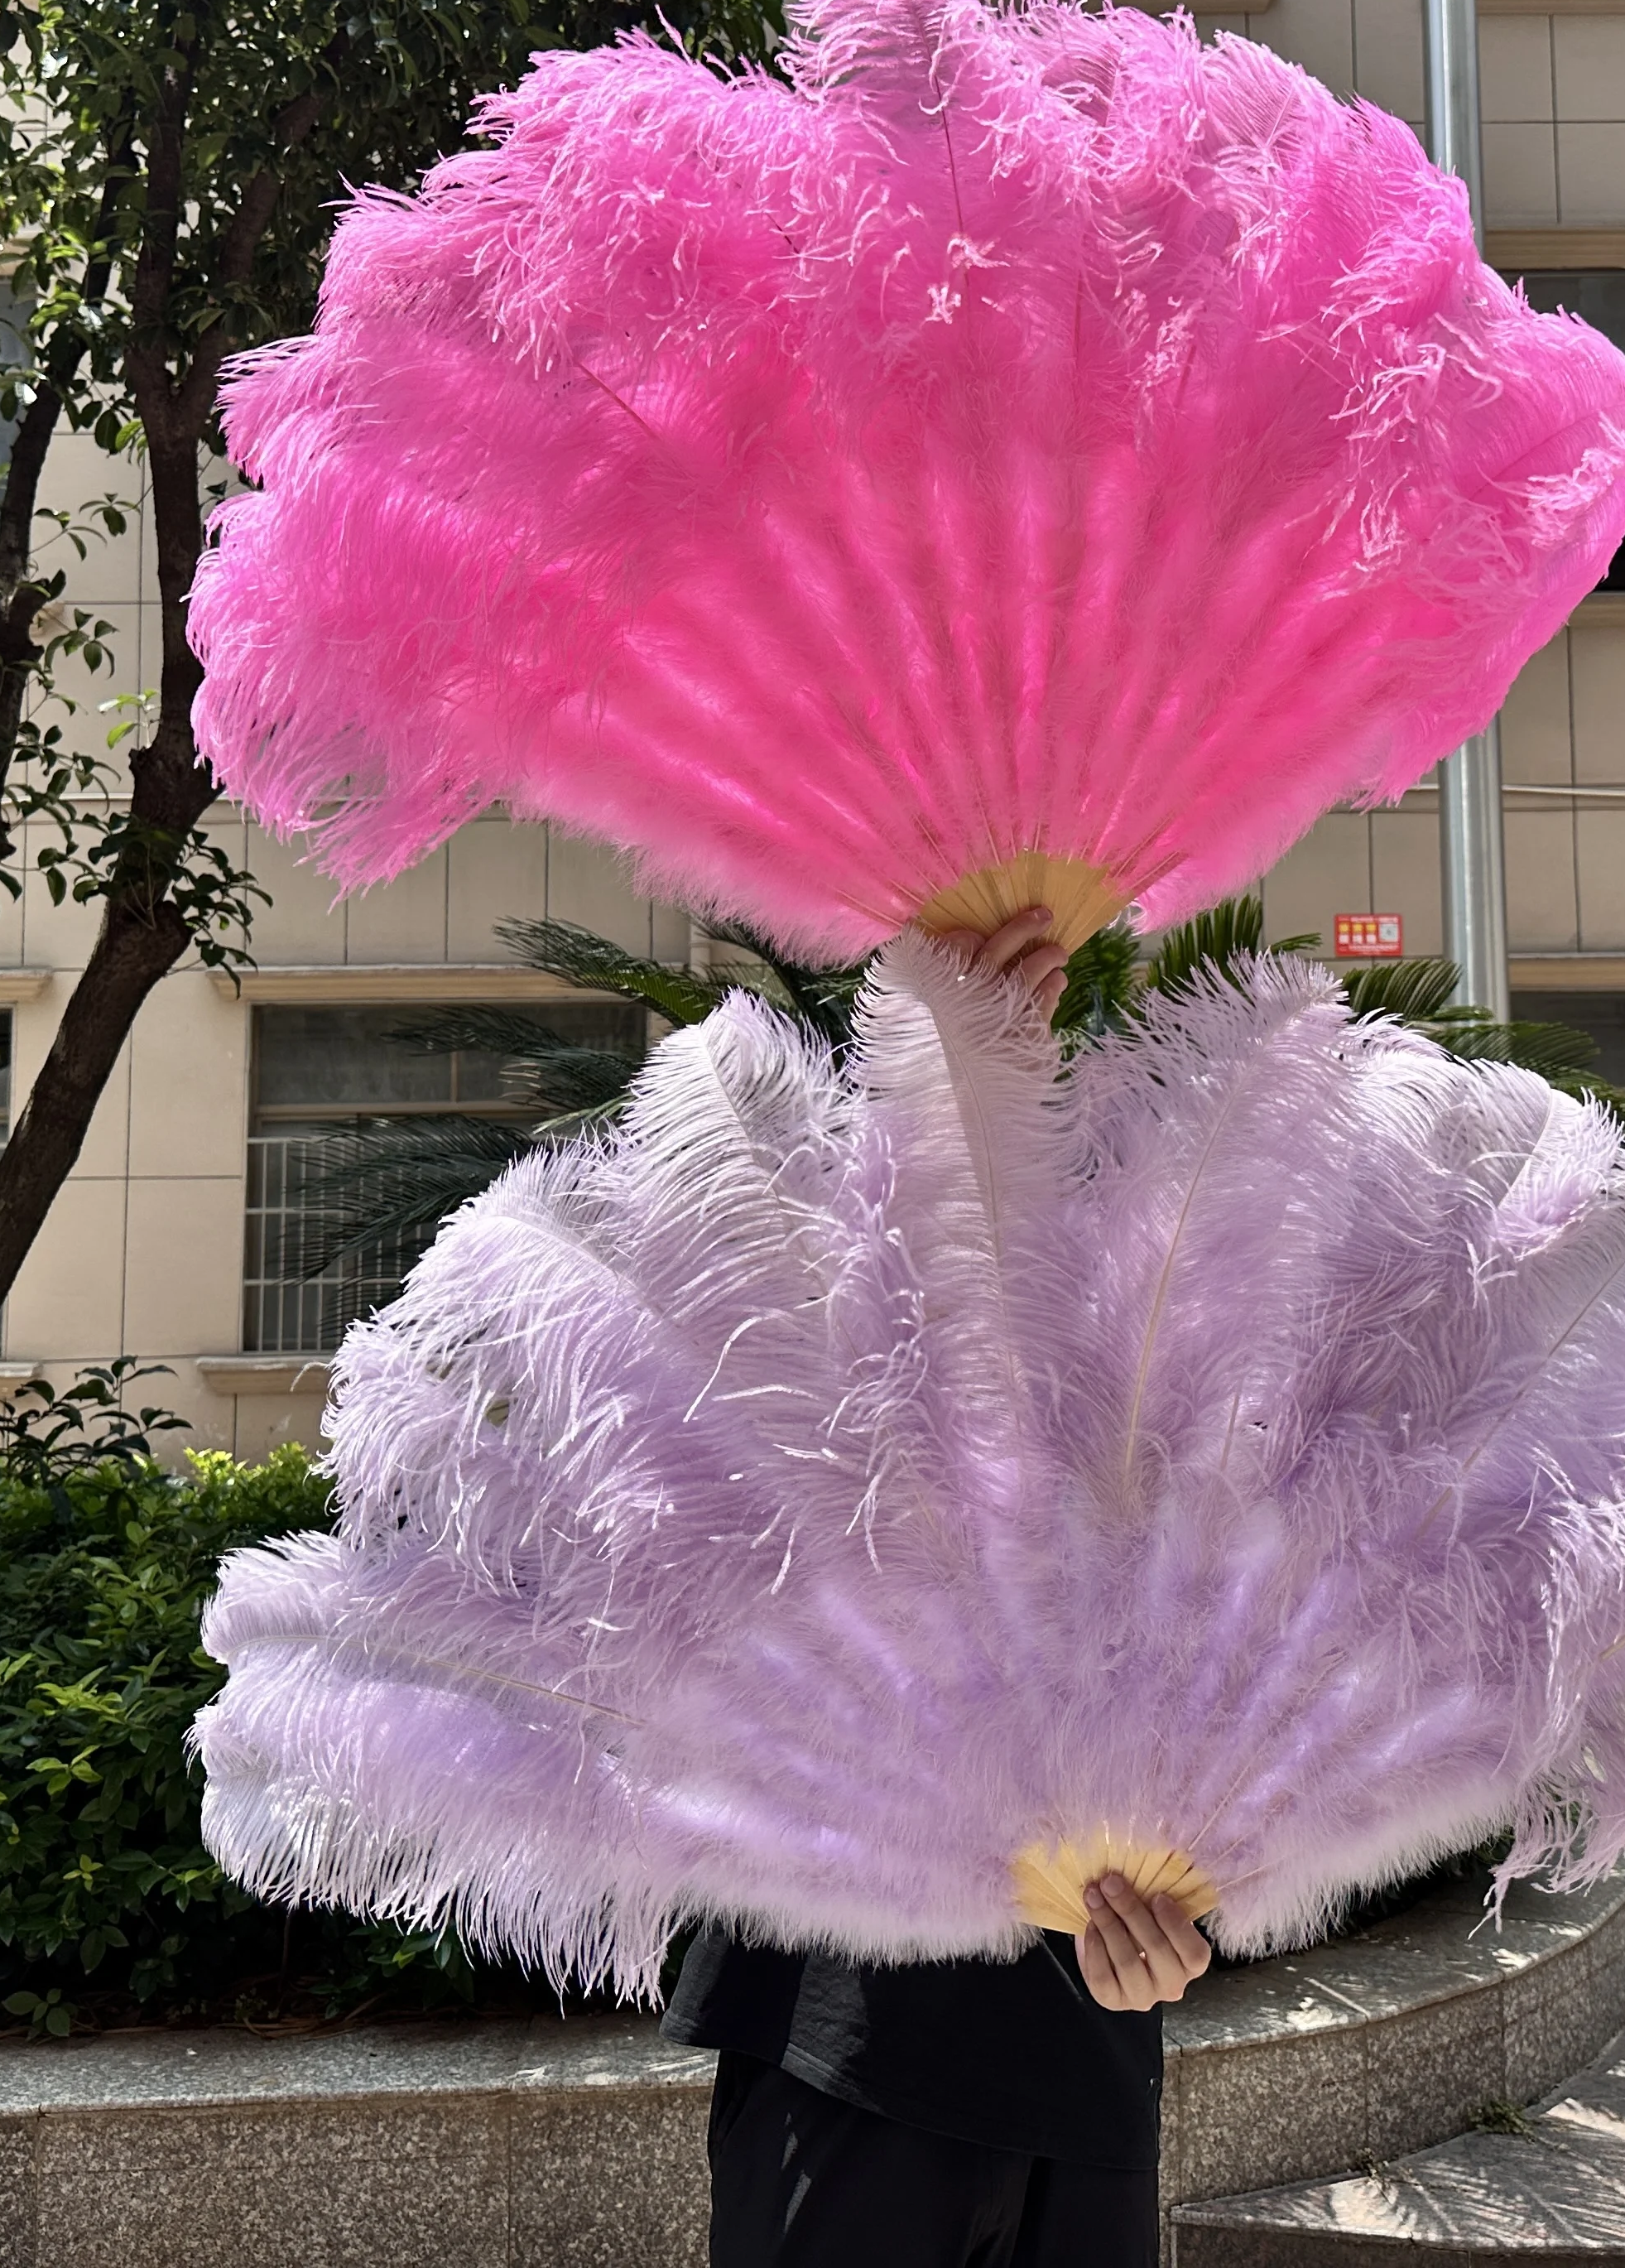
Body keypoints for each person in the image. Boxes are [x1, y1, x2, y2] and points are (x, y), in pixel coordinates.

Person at [662, 907, 1213, 2268]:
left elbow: (1241, 1697)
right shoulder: (854, 1317)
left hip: (1086, 2072)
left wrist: (1198, 1931)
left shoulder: (1169, 1355)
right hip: (849, 2054)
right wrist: (934, 1071)